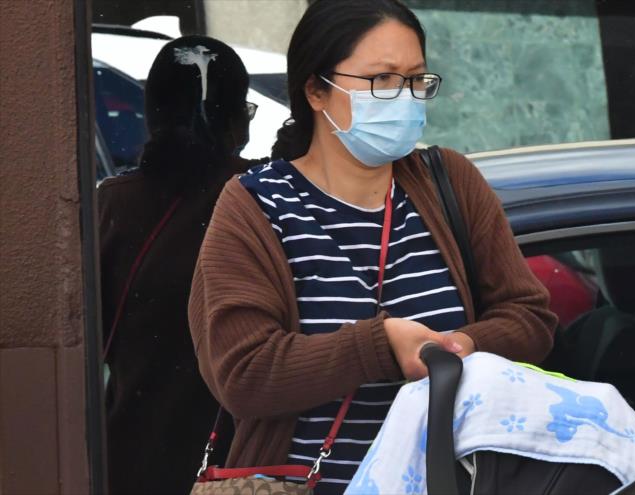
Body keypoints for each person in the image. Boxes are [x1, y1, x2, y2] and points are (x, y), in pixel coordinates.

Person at [188, 1, 557, 493]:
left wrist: (463, 347)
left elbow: (530, 317)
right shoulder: (256, 206)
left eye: (416, 80)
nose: (403, 98)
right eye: (381, 80)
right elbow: (243, 374)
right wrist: (378, 347)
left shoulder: (450, 182)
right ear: (317, 90)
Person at [99, 35, 264, 494]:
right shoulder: (263, 196)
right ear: (237, 123)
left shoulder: (109, 207)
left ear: (152, 117)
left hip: (128, 458)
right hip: (237, 467)